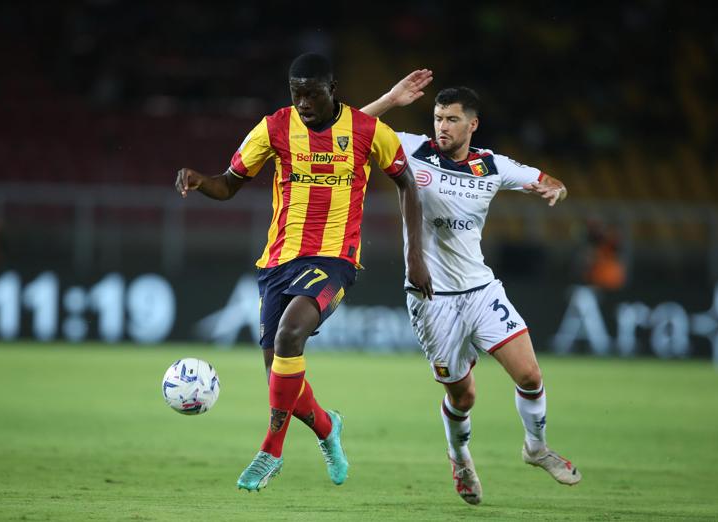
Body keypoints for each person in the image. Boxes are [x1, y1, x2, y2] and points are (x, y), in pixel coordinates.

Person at [175, 53, 433, 492]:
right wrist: (201, 180)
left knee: (289, 336)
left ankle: (269, 453)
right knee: (282, 378)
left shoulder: (368, 132)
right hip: (276, 263)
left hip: (334, 259)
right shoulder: (274, 127)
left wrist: (415, 257)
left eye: (311, 94)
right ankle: (328, 428)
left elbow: (407, 182)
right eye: (296, 94)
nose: (303, 103)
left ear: (332, 89)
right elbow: (229, 183)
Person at [361, 71, 581, 505]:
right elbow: (344, 131)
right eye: (438, 117)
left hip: (481, 291)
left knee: (530, 375)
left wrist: (555, 188)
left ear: (472, 125)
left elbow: (547, 180)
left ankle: (536, 448)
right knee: (463, 395)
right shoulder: (411, 148)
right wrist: (390, 98)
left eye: (451, 119)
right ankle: (460, 456)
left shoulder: (492, 165)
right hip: (431, 299)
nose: (441, 126)